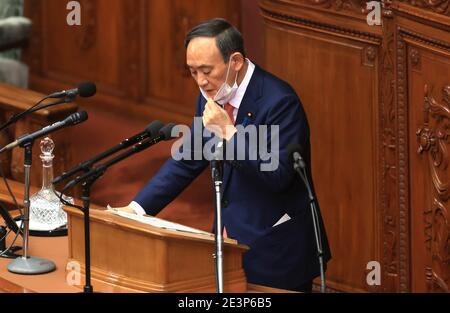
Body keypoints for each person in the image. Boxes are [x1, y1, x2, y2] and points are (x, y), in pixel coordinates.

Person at [115, 18, 331, 292]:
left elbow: (278, 175)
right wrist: (137, 210)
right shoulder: (210, 94)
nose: (200, 82)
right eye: (192, 72)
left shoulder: (280, 102)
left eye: (206, 70)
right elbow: (190, 157)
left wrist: (229, 133)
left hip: (276, 248)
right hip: (226, 240)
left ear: (236, 62)